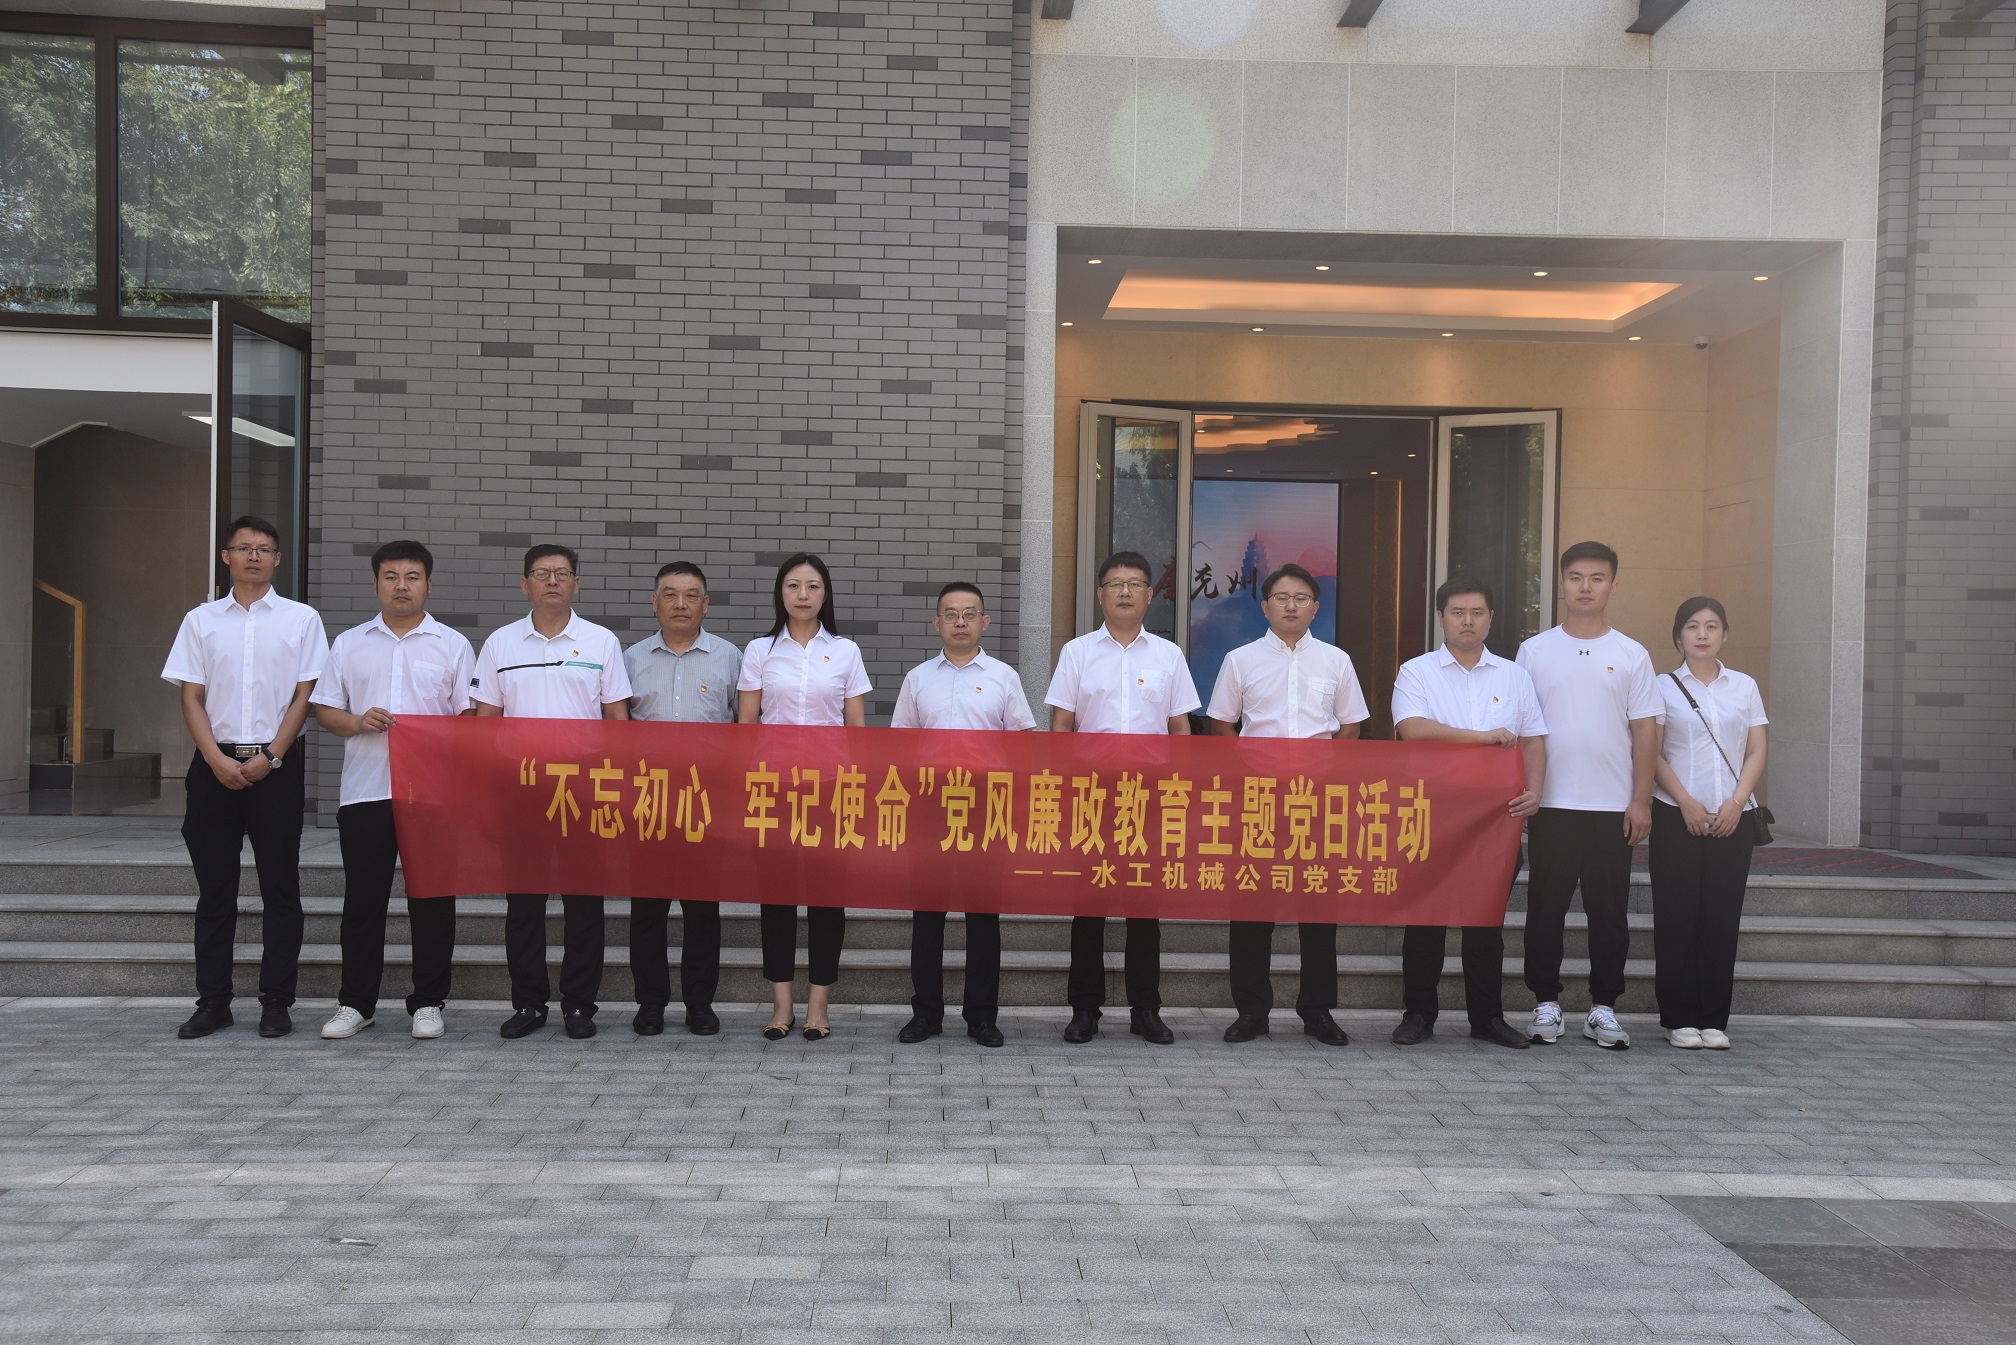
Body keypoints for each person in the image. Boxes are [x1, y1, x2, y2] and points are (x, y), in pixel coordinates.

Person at [161, 515, 328, 1040]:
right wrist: (214, 758)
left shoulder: (302, 619)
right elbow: (191, 696)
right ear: (226, 556)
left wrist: (273, 756)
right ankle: (213, 1003)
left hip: (275, 768)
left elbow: (305, 695)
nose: (253, 556)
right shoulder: (201, 620)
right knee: (215, 892)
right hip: (214, 766)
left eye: (264, 549)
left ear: (278, 559)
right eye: (243, 547)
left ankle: (277, 1002)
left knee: (281, 889)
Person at [312, 540, 475, 1042]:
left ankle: (428, 1002)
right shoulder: (349, 643)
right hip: (365, 791)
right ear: (376, 583)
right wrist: (358, 722)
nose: (401, 586)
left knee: (432, 901)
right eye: (390, 576)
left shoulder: (452, 645)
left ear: (429, 584)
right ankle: (356, 1003)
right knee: (363, 903)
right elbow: (326, 710)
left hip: (431, 795)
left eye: (411, 576)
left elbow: (468, 718)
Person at [473, 544, 632, 1041]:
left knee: (585, 903)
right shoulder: (500, 643)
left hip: (584, 789)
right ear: (525, 584)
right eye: (542, 574)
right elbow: (485, 723)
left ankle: (580, 1005)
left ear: (576, 584)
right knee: (524, 903)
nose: (552, 582)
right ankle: (529, 1003)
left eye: (562, 574)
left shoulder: (601, 641)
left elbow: (617, 719)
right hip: (521, 790)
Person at [1204, 562, 1365, 1047]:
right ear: (1265, 606)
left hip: (1317, 801)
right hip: (1258, 801)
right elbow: (1221, 723)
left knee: (1318, 909)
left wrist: (1326, 772)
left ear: (1315, 607)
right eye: (1281, 598)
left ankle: (1318, 1012)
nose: (1291, 606)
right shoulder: (1240, 660)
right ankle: (1252, 1012)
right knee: (1252, 908)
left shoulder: (1336, 661)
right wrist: (1251, 766)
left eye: (1301, 598)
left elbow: (1351, 727)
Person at [1045, 550, 1201, 1046]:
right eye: (1116, 584)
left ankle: (1146, 1009)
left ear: (1151, 595)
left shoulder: (1168, 655)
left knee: (1144, 909)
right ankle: (1084, 1009)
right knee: (1088, 908)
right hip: (1091, 795)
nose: (1126, 592)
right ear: (1100, 595)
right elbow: (1062, 725)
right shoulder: (1077, 653)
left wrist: (1179, 791)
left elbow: (1180, 728)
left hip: (1149, 797)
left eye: (1135, 584)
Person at [1516, 541, 1662, 1050]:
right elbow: (1522, 729)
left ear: (1613, 587)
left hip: (1611, 806)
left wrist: (1641, 799)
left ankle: (1603, 1008)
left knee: (1608, 913)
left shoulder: (1631, 654)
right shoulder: (1535, 651)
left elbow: (1645, 732)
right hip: (1550, 802)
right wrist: (1526, 793)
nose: (1585, 587)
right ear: (1561, 584)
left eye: (1597, 578)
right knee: (1545, 909)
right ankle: (1546, 1004)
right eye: (1576, 577)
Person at [1388, 579, 1547, 1050]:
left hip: (1495, 819)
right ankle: (1418, 1014)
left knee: (1485, 923)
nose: (1468, 621)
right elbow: (1412, 728)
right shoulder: (1417, 671)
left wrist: (1535, 791)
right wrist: (1481, 738)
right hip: (1432, 813)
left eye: (1477, 612)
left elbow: (1534, 739)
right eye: (1457, 612)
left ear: (1491, 618)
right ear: (1441, 618)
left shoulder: (1514, 676)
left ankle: (1487, 1018)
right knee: (1425, 920)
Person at [889, 581, 1037, 1049]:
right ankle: (926, 1014)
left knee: (983, 917)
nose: (960, 622)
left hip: (985, 810)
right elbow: (900, 745)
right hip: (930, 809)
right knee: (927, 917)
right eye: (950, 614)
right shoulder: (918, 678)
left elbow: (1022, 743)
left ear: (984, 622)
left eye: (969, 614)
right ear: (937, 622)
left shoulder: (1003, 677)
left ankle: (982, 1017)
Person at [737, 552, 870, 1042]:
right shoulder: (760, 651)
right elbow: (747, 725)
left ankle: (818, 1006)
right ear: (781, 593)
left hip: (830, 791)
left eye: (812, 586)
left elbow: (855, 726)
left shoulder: (846, 651)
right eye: (793, 585)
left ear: (825, 594)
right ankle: (781, 1007)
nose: (803, 595)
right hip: (772, 789)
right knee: (776, 899)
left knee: (826, 899)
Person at [623, 560, 740, 1037]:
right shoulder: (631, 659)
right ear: (655, 603)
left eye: (691, 595)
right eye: (670, 594)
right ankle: (650, 1003)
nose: (680, 604)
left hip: (706, 803)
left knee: (702, 911)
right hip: (647, 801)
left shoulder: (729, 658)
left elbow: (745, 729)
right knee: (647, 911)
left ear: (705, 604)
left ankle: (699, 1003)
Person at [1650, 597, 1768, 1050]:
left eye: (1712, 626)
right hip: (1675, 813)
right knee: (1676, 916)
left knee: (1721, 919)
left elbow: (1756, 750)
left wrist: (1737, 803)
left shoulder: (1744, 686)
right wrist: (1685, 802)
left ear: (1725, 634)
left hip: (1733, 817)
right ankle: (1678, 1018)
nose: (1702, 634)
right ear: (1678, 635)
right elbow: (1652, 753)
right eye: (1693, 626)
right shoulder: (1661, 687)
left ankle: (1714, 1019)